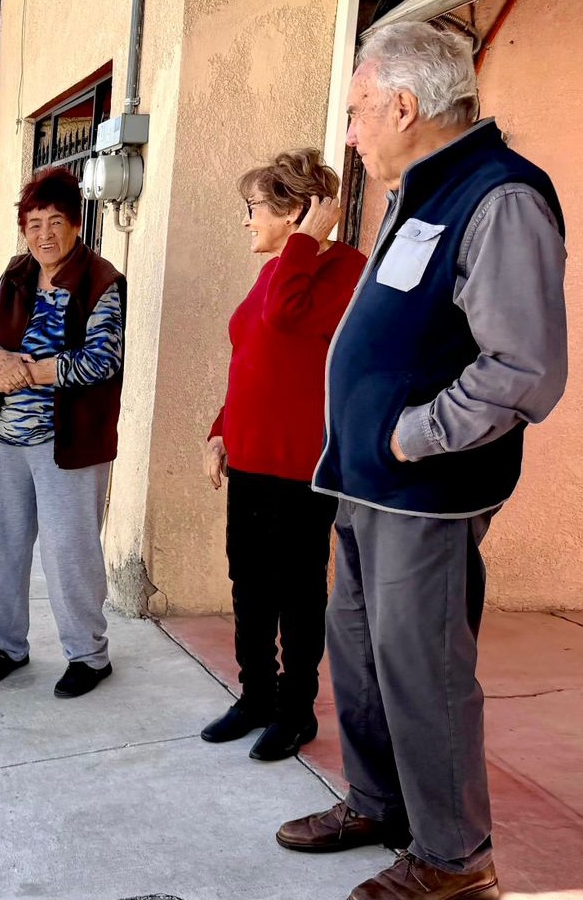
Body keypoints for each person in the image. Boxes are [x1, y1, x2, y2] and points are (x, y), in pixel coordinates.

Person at [277, 23, 567, 900]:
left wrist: (416, 434)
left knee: (423, 669)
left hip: (426, 488)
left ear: (403, 106)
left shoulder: (499, 196)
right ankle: (378, 804)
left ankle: (455, 859)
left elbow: (524, 368)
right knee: (361, 652)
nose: (350, 133)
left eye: (358, 111)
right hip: (369, 482)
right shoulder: (424, 191)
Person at [199, 150, 365, 762]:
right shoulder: (276, 269)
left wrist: (304, 244)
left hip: (300, 465)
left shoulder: (343, 269)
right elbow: (251, 354)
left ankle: (296, 713)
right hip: (249, 458)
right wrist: (221, 430)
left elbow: (287, 318)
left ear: (296, 211)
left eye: (254, 208)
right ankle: (255, 698)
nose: (246, 221)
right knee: (248, 584)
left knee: (297, 594)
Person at [0, 166, 127, 699]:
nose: (44, 234)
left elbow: (101, 361)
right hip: (7, 439)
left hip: (69, 444)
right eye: (33, 224)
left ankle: (88, 656)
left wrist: (28, 372)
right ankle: (5, 647)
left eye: (55, 222)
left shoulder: (101, 281)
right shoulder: (15, 274)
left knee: (69, 553)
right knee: (0, 549)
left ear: (76, 225)